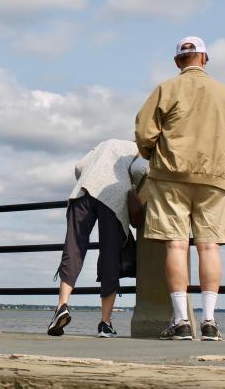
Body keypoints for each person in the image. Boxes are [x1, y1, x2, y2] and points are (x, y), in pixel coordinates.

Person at [135, 36, 225, 341]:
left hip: (170, 178)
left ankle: (180, 321)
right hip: (216, 179)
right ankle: (209, 321)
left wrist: (155, 157)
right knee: (209, 247)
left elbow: (143, 133)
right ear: (205, 58)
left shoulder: (166, 88)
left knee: (176, 246)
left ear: (178, 61)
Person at [47, 139, 139, 338]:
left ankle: (61, 306)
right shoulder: (136, 149)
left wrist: (92, 176)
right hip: (113, 196)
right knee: (110, 256)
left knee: (74, 248)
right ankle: (105, 323)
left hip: (83, 190)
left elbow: (79, 166)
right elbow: (141, 171)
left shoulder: (104, 144)